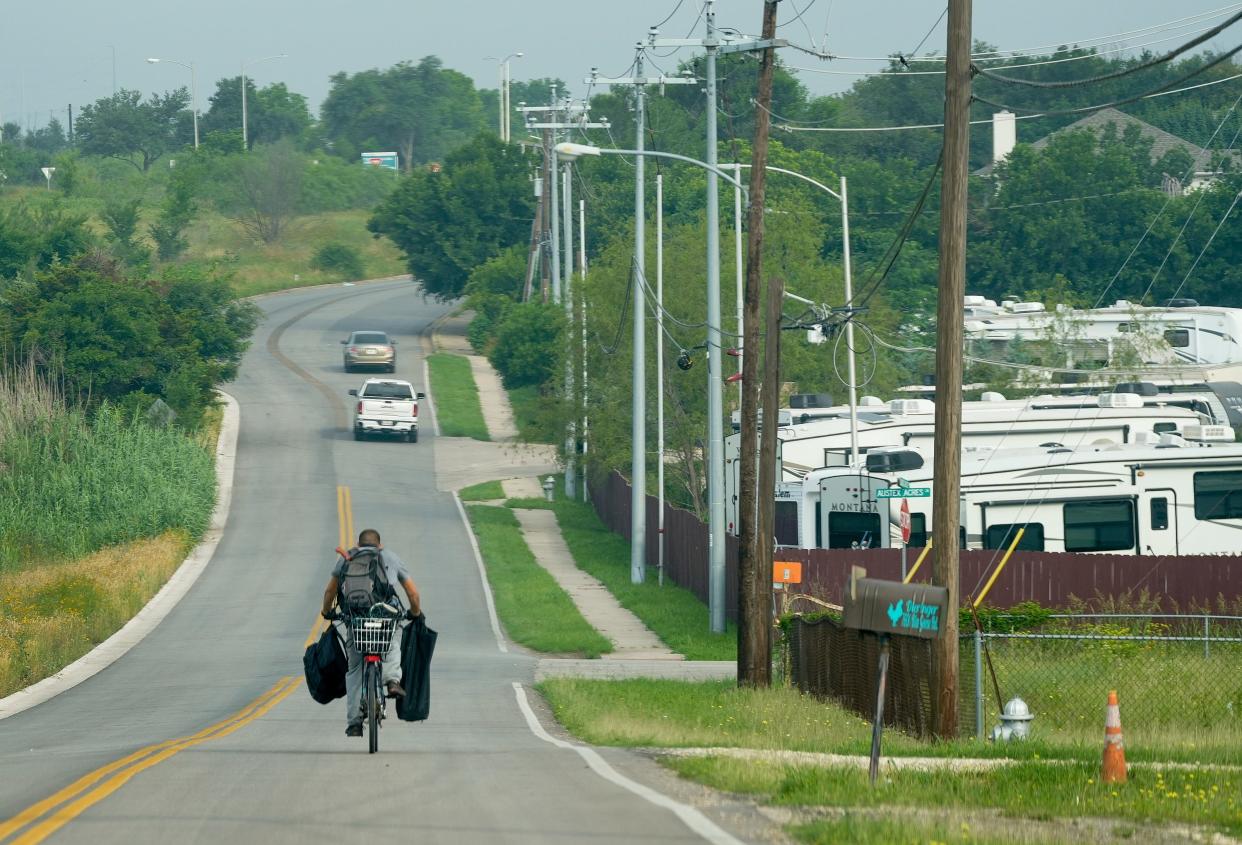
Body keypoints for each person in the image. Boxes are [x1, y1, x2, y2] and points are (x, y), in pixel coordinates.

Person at [320, 528, 422, 737]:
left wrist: (327, 611)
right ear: (379, 545)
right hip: (383, 619)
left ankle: (354, 722)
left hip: (357, 622)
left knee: (355, 668)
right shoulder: (389, 557)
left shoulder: (347, 558)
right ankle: (392, 680)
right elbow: (412, 592)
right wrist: (414, 613)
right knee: (393, 640)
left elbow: (330, 591)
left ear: (358, 545)